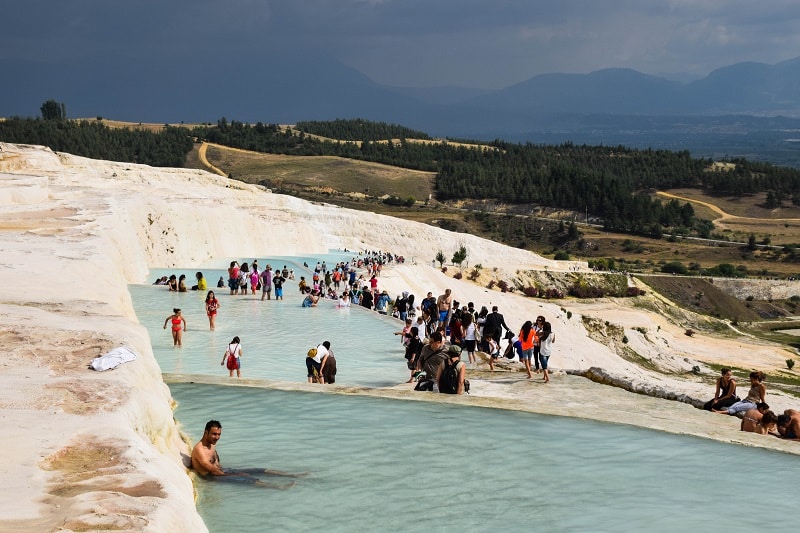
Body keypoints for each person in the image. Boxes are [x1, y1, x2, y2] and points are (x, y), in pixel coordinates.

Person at [191, 420, 302, 488]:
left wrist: (234, 472)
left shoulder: (211, 444)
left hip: (223, 471)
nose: (217, 437)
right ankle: (278, 487)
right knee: (247, 479)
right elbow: (213, 471)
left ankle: (291, 475)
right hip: (212, 477)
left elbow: (217, 465)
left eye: (219, 434)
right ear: (206, 432)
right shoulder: (199, 450)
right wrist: (237, 475)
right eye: (214, 434)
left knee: (258, 470)